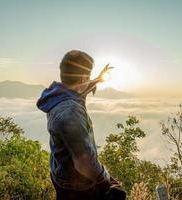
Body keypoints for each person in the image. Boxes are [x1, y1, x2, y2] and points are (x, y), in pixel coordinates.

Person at [36, 50, 126, 200]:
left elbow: (80, 90)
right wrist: (107, 180)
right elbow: (84, 164)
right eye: (88, 76)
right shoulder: (70, 112)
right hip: (77, 185)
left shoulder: (58, 94)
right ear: (84, 78)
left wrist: (97, 79)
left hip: (60, 170)